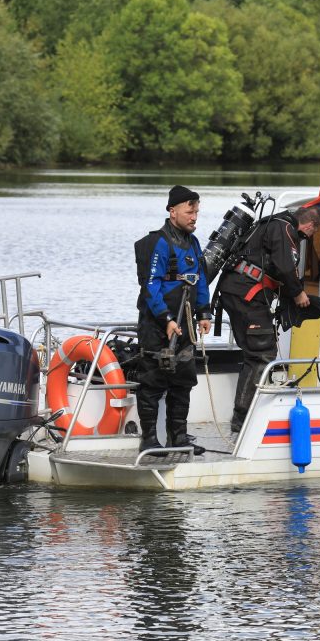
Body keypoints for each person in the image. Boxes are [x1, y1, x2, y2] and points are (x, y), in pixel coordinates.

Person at [218, 205, 320, 436]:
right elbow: (285, 267)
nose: (306, 238)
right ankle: (243, 419)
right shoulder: (285, 229)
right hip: (247, 294)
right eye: (311, 234)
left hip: (236, 291)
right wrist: (298, 294)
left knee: (254, 352)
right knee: (262, 354)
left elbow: (272, 267)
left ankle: (244, 414)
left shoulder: (270, 224)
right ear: (309, 226)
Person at [134, 185, 212, 455]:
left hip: (186, 322)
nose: (194, 217)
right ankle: (149, 440)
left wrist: (204, 312)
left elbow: (200, 279)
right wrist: (165, 318)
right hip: (158, 325)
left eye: (197, 212)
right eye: (190, 212)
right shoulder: (161, 242)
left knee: (183, 380)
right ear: (172, 211)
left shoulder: (193, 242)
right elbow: (151, 285)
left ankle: (178, 438)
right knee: (153, 381)